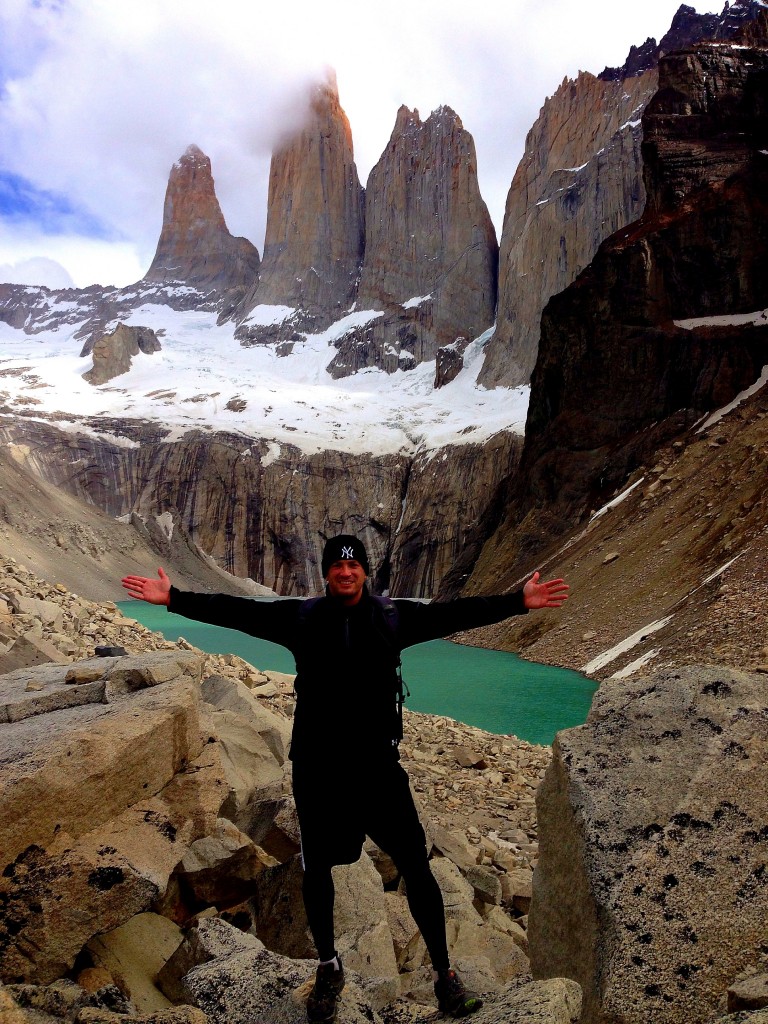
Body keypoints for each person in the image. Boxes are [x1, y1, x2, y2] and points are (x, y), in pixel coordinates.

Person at [122, 535, 568, 1021]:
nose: (345, 572)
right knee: (318, 868)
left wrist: (518, 604)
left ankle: (445, 977)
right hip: (318, 768)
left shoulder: (395, 618)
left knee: (416, 867)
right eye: (337, 565)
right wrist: (175, 599)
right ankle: (328, 966)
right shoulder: (302, 618)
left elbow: (455, 613)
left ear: (365, 572)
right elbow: (238, 611)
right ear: (327, 573)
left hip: (378, 769)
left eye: (353, 566)